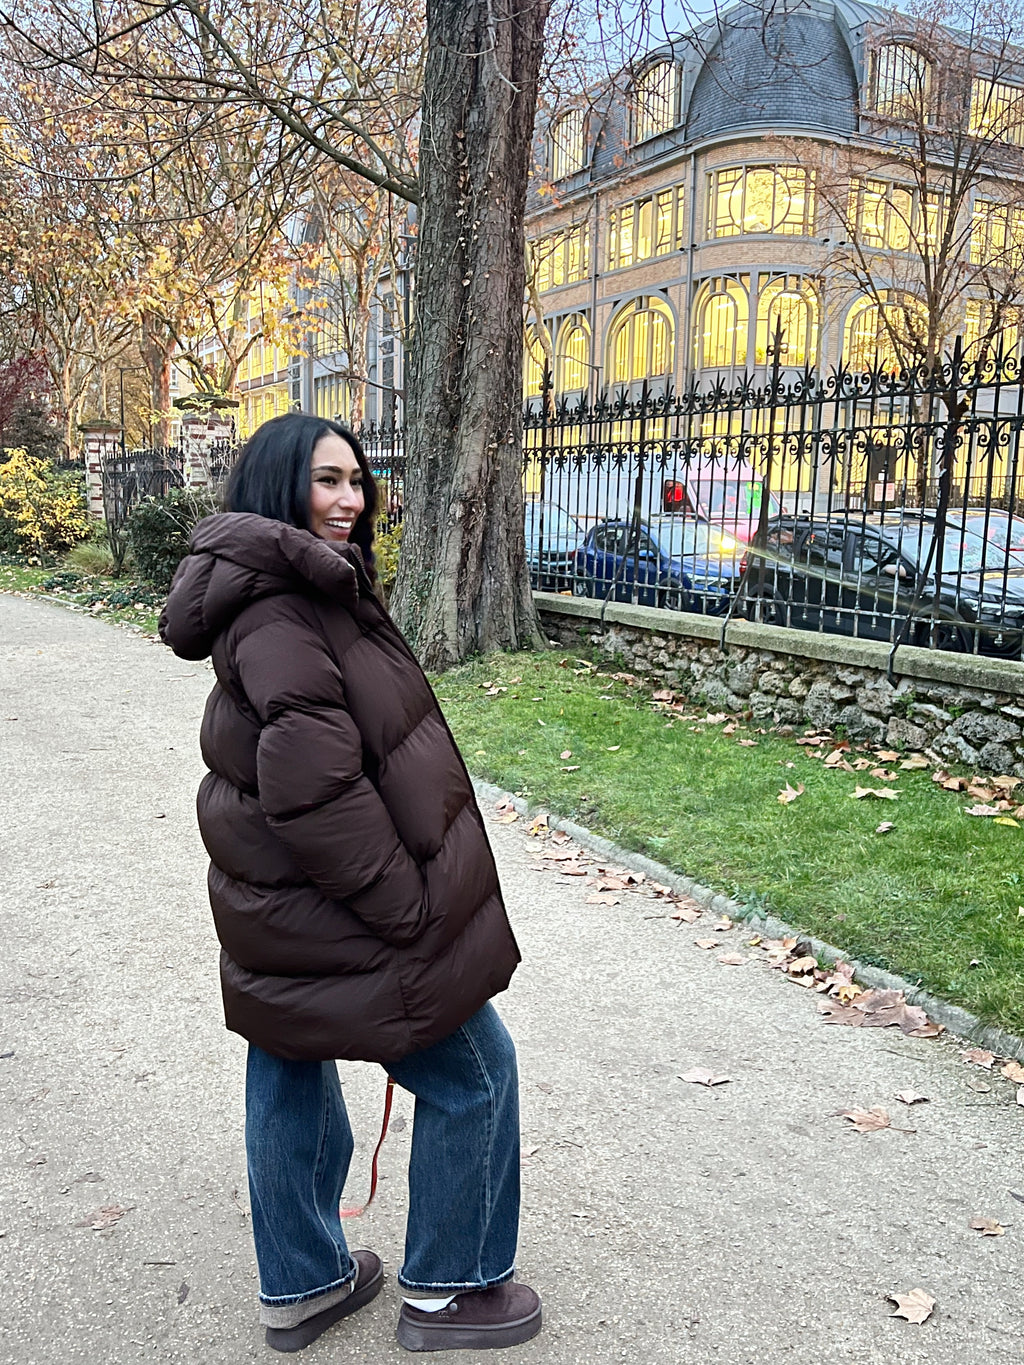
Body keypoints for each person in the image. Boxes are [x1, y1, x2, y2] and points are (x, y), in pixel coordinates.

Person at [159, 412, 541, 1355]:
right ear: (278, 486)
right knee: (476, 1073)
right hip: (339, 903)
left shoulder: (285, 588)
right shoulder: (283, 608)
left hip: (280, 905)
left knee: (288, 1060)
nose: (350, 500)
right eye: (326, 480)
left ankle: (302, 1285)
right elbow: (315, 790)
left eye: (356, 480)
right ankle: (451, 1292)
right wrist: (408, 911)